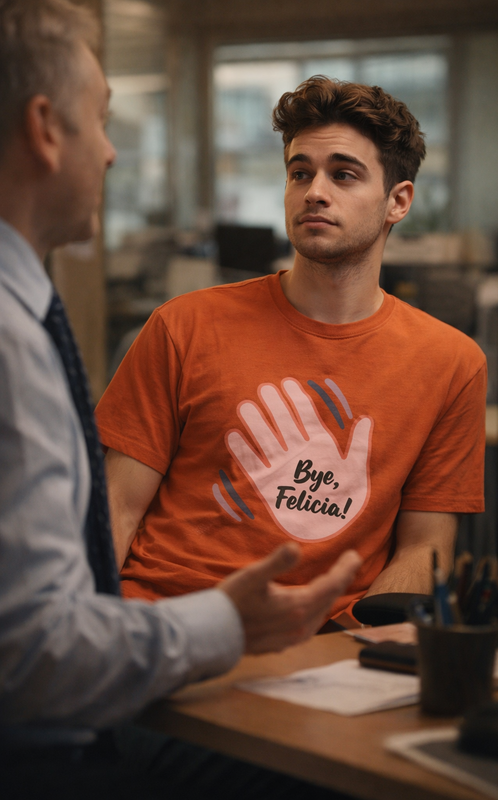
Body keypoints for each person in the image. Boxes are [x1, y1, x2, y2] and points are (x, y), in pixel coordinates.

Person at [0, 1, 361, 797]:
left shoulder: (23, 316)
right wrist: (226, 624)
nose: (113, 153)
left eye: (343, 174)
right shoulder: (15, 338)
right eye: (100, 120)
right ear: (44, 128)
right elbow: (30, 654)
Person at [96, 77, 487, 620]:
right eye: (299, 172)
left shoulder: (452, 364)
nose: (314, 191)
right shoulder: (183, 325)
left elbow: (424, 546)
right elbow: (116, 508)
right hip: (165, 624)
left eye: (343, 174)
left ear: (398, 201)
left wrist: (365, 651)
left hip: (325, 651)